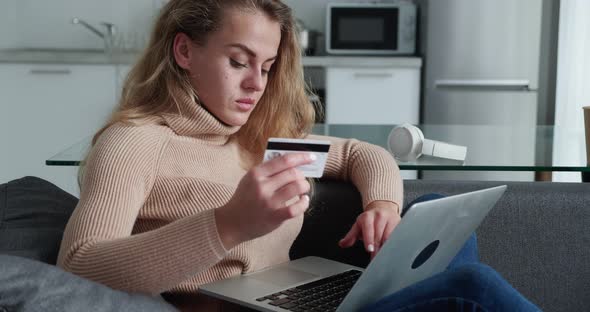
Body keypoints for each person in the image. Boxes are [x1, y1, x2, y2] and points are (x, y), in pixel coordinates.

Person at [56, 0, 540, 311]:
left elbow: (361, 155)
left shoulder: (255, 138)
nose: (255, 85)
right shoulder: (134, 143)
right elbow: (78, 265)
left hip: (297, 297)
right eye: (238, 61)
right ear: (184, 51)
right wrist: (228, 225)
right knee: (471, 286)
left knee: (436, 215)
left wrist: (383, 208)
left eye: (266, 67)